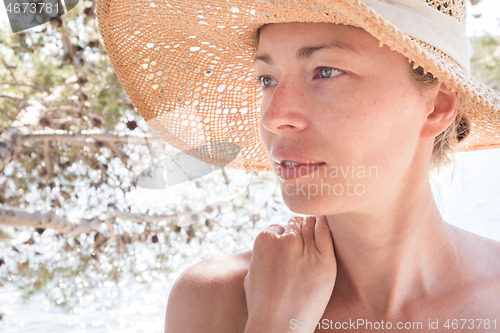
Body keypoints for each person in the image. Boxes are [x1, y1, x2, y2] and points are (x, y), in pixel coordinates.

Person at [97, 0, 500, 332]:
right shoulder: (215, 301)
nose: (274, 117)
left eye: (326, 71)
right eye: (267, 79)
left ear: (438, 105)